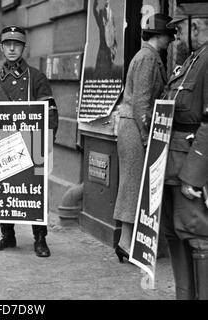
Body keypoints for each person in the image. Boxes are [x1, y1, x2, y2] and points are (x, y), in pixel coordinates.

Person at [0, 26, 59, 258]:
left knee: (34, 193)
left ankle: (40, 238)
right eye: (8, 44)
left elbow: (51, 114)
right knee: (3, 191)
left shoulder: (36, 77)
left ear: (24, 47)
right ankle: (8, 235)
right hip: (0, 146)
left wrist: (44, 142)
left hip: (30, 146)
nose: (12, 48)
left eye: (17, 44)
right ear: (1, 48)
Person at [113, 14, 175, 263]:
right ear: (160, 35)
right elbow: (141, 102)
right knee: (133, 186)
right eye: (169, 35)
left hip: (132, 127)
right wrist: (146, 135)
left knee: (133, 185)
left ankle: (127, 243)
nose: (171, 41)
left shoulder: (145, 56)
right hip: (135, 129)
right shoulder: (148, 58)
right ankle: (126, 243)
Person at [161, 3, 208, 300]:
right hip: (170, 166)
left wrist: (194, 176)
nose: (175, 37)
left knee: (198, 236)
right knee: (175, 234)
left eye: (179, 30)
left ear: (198, 26)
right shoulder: (192, 60)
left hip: (189, 166)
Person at [93, 0, 117, 77]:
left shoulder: (111, 15)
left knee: (107, 72)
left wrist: (114, 47)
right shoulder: (101, 17)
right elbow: (95, 11)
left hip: (108, 48)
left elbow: (113, 30)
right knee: (101, 73)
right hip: (103, 49)